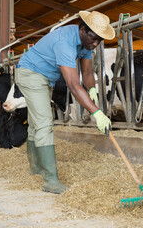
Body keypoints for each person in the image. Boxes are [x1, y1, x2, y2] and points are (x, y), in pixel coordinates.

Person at [15, 10, 116, 194]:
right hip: (31, 74)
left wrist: (92, 89)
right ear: (83, 30)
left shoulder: (86, 44)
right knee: (45, 123)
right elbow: (73, 84)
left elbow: (86, 73)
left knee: (36, 123)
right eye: (94, 39)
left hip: (46, 78)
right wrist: (96, 112)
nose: (95, 44)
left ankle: (35, 169)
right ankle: (50, 181)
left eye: (99, 41)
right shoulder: (65, 42)